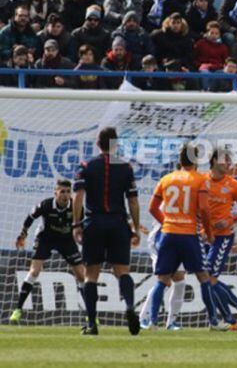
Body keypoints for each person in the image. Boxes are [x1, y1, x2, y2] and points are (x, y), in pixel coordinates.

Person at [146, 143, 229, 331]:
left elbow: (152, 208)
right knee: (204, 277)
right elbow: (204, 209)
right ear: (196, 160)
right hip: (189, 235)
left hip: (168, 234)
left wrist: (167, 222)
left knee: (162, 279)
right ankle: (214, 322)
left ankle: (153, 322)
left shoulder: (166, 179)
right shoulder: (200, 180)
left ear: (180, 159)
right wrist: (209, 233)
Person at [73, 127, 141, 335]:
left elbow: (78, 197)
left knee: (91, 275)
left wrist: (76, 224)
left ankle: (92, 324)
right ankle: (129, 306)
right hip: (118, 223)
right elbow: (133, 201)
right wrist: (136, 228)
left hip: (94, 223)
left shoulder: (86, 166)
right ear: (116, 144)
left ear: (97, 143)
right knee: (122, 271)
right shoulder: (125, 167)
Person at [9, 179, 86, 324]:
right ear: (55, 193)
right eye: (62, 192)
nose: (65, 195)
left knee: (81, 276)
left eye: (68, 192)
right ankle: (18, 309)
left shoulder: (76, 207)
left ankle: (91, 315)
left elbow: (82, 226)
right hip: (45, 238)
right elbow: (30, 218)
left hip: (66, 240)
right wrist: (22, 235)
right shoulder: (46, 205)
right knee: (34, 271)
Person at [203, 149, 237, 330]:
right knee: (207, 280)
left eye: (229, 160)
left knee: (209, 278)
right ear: (214, 161)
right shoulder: (202, 181)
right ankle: (236, 314)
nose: (228, 163)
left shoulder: (234, 185)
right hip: (204, 237)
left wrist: (229, 221)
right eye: (225, 159)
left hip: (222, 237)